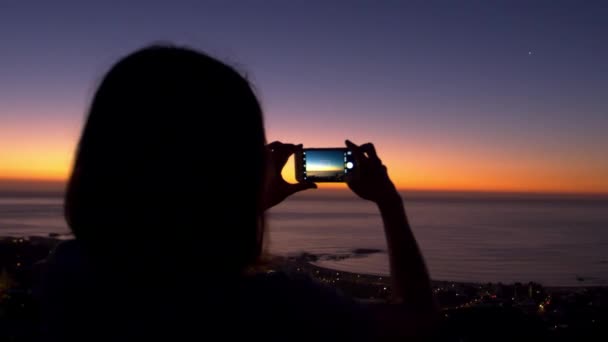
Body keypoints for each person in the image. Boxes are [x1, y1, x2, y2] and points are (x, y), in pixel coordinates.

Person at [36, 45, 437, 341]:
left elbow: (170, 238)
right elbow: (417, 320)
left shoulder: (68, 271)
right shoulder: (275, 309)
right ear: (232, 166)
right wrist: (390, 203)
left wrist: (248, 201)